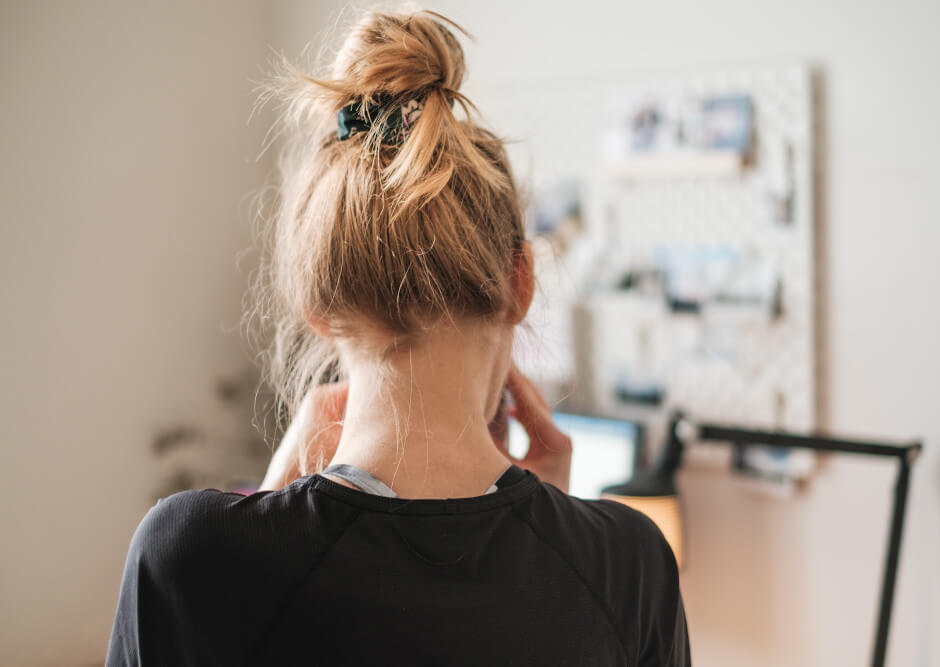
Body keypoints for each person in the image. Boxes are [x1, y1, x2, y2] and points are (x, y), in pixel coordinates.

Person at [106, 8, 689, 666]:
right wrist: (564, 533)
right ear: (521, 281)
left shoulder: (190, 556)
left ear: (314, 303)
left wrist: (272, 504)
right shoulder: (631, 565)